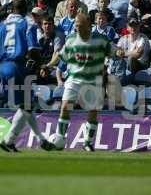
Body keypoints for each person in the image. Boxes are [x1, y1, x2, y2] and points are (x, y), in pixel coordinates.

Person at [0, 0, 54, 152]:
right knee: (27, 105)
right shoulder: (27, 23)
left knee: (26, 105)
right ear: (25, 10)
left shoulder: (0, 25)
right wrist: (40, 65)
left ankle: (40, 139)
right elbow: (33, 50)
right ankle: (9, 140)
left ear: (12, 9)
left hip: (3, 68)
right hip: (17, 67)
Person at [43, 13, 113, 152]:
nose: (78, 29)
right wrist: (48, 66)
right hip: (74, 79)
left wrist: (121, 52)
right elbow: (60, 56)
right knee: (65, 107)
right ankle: (60, 138)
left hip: (94, 81)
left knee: (92, 111)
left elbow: (113, 51)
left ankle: (87, 142)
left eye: (80, 26)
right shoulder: (71, 39)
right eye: (76, 26)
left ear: (88, 25)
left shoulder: (101, 40)